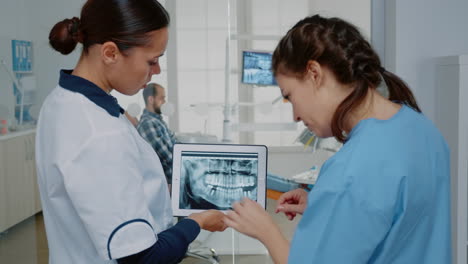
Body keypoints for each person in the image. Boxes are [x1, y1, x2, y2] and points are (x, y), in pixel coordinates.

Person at [224, 15, 451, 264]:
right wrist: (327, 207)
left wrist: (266, 230)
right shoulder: (423, 130)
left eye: (290, 96)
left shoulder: (351, 169)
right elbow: (398, 222)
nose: (296, 115)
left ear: (313, 73)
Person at [36, 1, 226, 263]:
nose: (157, 70)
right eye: (153, 60)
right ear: (110, 53)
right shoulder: (100, 132)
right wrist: (197, 222)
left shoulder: (61, 101)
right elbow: (143, 258)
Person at [137, 83, 176, 185]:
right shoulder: (148, 124)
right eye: (162, 98)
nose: (164, 102)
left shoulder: (159, 122)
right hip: (166, 185)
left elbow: (175, 143)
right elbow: (169, 158)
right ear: (151, 100)